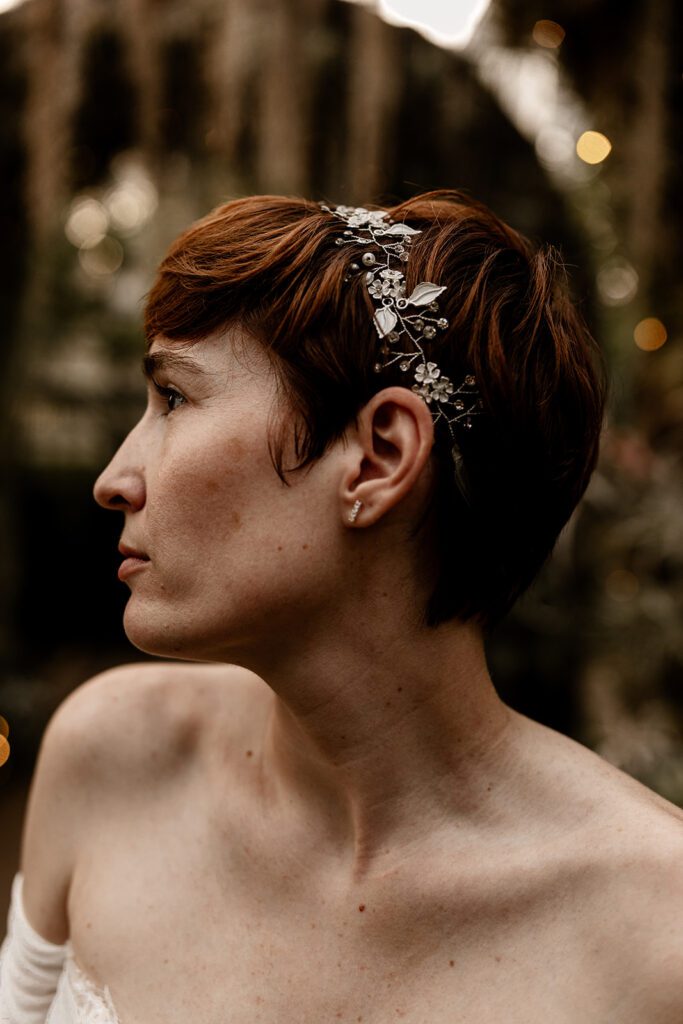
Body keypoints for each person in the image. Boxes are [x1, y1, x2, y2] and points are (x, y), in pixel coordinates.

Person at [1, 191, 682, 1024]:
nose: (113, 480)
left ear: (377, 457)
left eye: (174, 399)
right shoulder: (112, 756)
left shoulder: (655, 933)